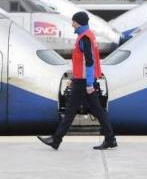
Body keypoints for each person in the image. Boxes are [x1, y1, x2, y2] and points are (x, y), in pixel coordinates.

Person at [38, 11, 117, 150]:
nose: (72, 24)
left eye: (74, 21)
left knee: (71, 111)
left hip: (83, 81)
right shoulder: (87, 36)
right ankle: (110, 139)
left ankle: (56, 140)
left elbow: (90, 62)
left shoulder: (84, 38)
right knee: (96, 110)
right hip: (83, 79)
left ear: (79, 22)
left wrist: (89, 84)